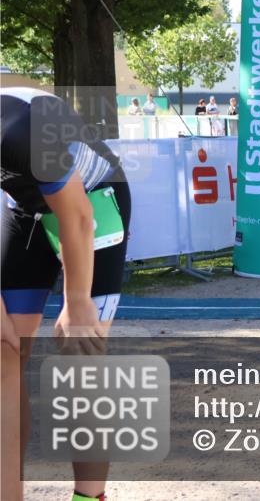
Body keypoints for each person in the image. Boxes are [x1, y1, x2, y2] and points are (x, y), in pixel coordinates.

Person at [2, 87, 132, 501]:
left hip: (93, 198)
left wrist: (76, 302)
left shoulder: (22, 130)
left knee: (80, 353)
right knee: (4, 352)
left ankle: (87, 497)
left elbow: (78, 217)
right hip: (23, 211)